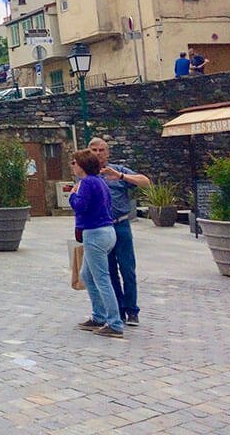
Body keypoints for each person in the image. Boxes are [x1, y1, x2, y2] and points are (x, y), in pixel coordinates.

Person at [88, 137, 151, 326]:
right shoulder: (86, 175)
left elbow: (145, 181)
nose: (98, 153)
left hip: (120, 225)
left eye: (101, 150)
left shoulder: (118, 170)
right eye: (94, 150)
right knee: (108, 272)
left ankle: (132, 310)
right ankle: (118, 310)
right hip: (100, 228)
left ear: (107, 153)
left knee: (127, 269)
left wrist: (121, 177)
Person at [68, 149, 124, 338]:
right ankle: (99, 316)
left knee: (101, 278)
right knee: (87, 274)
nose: (72, 166)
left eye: (74, 163)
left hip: (94, 233)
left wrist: (72, 195)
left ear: (81, 165)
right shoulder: (100, 182)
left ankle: (115, 323)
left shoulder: (85, 183)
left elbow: (79, 206)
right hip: (107, 231)